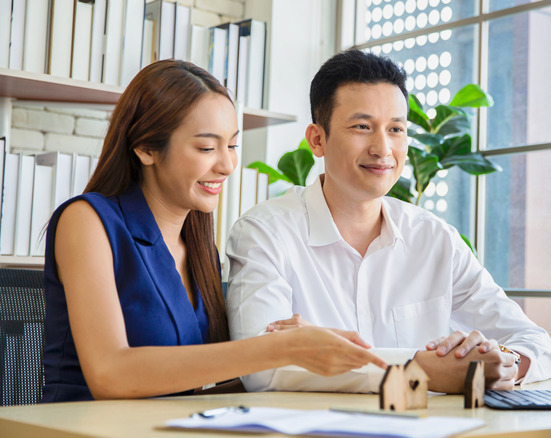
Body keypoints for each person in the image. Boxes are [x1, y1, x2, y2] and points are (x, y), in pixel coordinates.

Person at [41, 60, 386, 402]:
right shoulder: (86, 220)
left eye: (232, 145)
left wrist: (295, 361)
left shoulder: (195, 244)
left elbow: (187, 391)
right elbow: (110, 374)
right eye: (207, 148)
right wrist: (275, 349)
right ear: (146, 148)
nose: (227, 165)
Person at [226, 49, 551, 394]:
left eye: (396, 129)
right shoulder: (264, 233)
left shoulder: (435, 239)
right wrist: (417, 369)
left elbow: (537, 344)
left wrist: (503, 363)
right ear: (317, 139)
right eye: (362, 127)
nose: (383, 149)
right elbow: (260, 368)